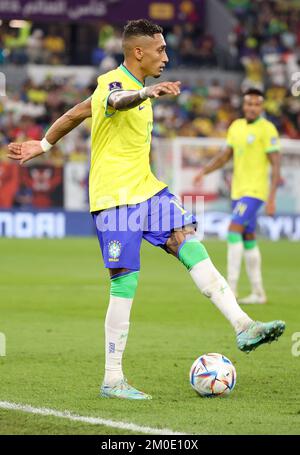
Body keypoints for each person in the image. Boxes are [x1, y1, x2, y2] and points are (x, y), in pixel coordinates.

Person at [8, 21, 285, 401]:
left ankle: (243, 324)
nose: (166, 57)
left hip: (148, 190)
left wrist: (43, 142)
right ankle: (112, 378)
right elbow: (117, 101)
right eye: (160, 50)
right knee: (126, 281)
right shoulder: (114, 83)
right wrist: (145, 93)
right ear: (138, 52)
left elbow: (76, 113)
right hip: (115, 198)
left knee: (186, 240)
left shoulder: (121, 89)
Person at [194, 88, 281, 304]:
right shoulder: (236, 127)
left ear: (261, 107)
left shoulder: (267, 129)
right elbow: (225, 156)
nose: (252, 108)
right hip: (238, 191)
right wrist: (204, 171)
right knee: (248, 237)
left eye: (256, 104)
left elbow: (276, 165)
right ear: (244, 106)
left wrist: (271, 198)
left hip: (255, 192)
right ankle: (258, 292)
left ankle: (230, 288)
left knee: (234, 231)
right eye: (248, 104)